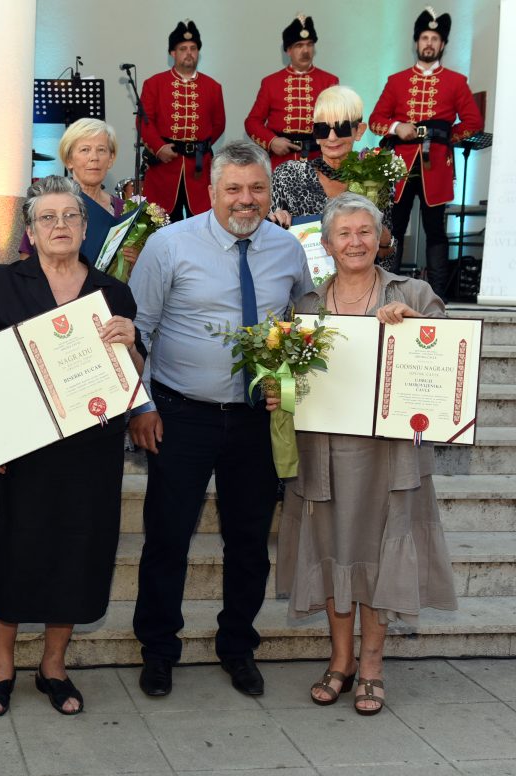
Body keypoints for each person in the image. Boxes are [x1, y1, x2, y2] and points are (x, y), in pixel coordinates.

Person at [128, 141, 312, 699]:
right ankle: (159, 649)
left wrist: (295, 386)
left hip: (258, 419)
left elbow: (304, 319)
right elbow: (136, 332)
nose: (246, 199)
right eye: (233, 188)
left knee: (250, 541)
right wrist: (141, 406)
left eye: (257, 188)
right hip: (181, 415)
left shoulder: (288, 249)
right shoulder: (168, 245)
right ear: (211, 192)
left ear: (270, 190)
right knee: (167, 537)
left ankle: (237, 646)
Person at [0, 175, 143, 717]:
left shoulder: (113, 292)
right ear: (30, 231)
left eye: (70, 217)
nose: (60, 226)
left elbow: (134, 379)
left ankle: (54, 666)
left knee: (76, 554)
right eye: (48, 218)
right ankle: (1, 668)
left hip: (90, 451)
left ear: (86, 227)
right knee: (11, 556)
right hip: (20, 455)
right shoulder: (1, 285)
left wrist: (132, 344)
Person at [275, 192, 457, 715]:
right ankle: (340, 661)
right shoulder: (306, 307)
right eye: (343, 233)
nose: (355, 242)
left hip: (392, 454)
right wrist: (279, 390)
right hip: (325, 451)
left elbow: (449, 367)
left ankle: (372, 665)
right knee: (332, 548)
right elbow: (292, 383)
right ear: (327, 244)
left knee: (380, 552)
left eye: (364, 231)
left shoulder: (415, 292)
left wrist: (420, 329)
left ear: (381, 237)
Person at [369, 7, 483, 299]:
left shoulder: (456, 81)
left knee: (436, 230)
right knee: (395, 226)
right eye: (424, 37)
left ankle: (438, 296)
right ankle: (388, 290)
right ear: (416, 42)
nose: (429, 43)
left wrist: (445, 139)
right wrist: (397, 127)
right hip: (400, 165)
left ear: (442, 44)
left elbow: (473, 123)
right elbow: (375, 120)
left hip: (437, 165)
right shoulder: (396, 81)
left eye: (434, 38)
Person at [269, 85, 397, 269]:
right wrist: (275, 223)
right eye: (322, 129)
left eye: (341, 127)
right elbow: (271, 247)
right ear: (316, 135)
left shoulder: (374, 178)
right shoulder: (288, 175)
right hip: (303, 289)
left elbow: (386, 259)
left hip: (360, 286)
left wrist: (385, 239)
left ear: (359, 130)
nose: (331, 137)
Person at [19, 118, 139, 274]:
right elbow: (25, 263)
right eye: (85, 150)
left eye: (101, 150)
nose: (94, 157)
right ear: (69, 160)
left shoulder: (124, 210)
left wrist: (136, 260)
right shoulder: (48, 204)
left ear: (110, 159)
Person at [140, 20, 225, 221]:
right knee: (161, 225)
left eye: (193, 48)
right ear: (173, 53)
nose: (189, 53)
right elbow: (144, 122)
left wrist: (197, 148)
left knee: (202, 223)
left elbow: (219, 124)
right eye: (183, 48)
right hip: (163, 168)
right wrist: (159, 148)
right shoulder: (154, 84)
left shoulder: (213, 87)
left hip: (199, 169)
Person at [245, 14, 339, 171]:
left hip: (319, 161)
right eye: (299, 45)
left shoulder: (330, 81)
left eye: (309, 45)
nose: (305, 51)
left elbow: (339, 124)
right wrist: (272, 141)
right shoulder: (271, 82)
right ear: (288, 50)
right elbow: (252, 122)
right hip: (281, 162)